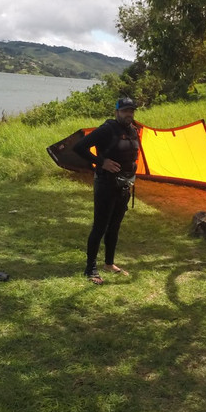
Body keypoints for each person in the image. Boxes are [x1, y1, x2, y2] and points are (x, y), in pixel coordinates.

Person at [73, 96, 141, 285]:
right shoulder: (106, 129)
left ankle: (109, 264)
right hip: (106, 184)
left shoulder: (133, 130)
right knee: (100, 226)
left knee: (115, 226)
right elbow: (79, 147)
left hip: (124, 185)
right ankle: (90, 268)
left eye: (131, 110)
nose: (129, 114)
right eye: (125, 110)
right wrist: (101, 161)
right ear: (117, 112)